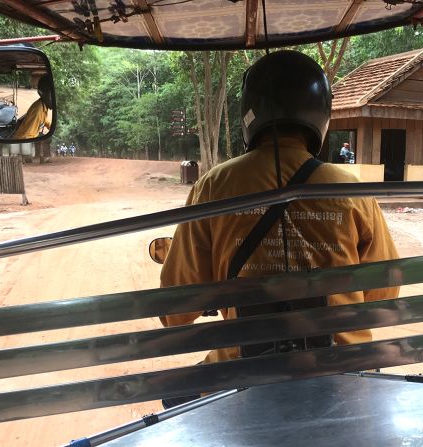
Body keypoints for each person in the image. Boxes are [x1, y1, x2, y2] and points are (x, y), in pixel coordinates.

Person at [159, 50, 399, 365]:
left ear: (249, 112)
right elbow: (384, 293)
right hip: (342, 368)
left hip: (245, 371)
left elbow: (174, 312)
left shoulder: (214, 186)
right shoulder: (350, 191)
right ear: (321, 115)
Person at [11, 75, 53, 139]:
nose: (54, 99)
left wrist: (49, 125)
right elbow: (26, 136)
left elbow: (42, 119)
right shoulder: (38, 111)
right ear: (41, 93)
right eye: (51, 95)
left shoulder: (43, 106)